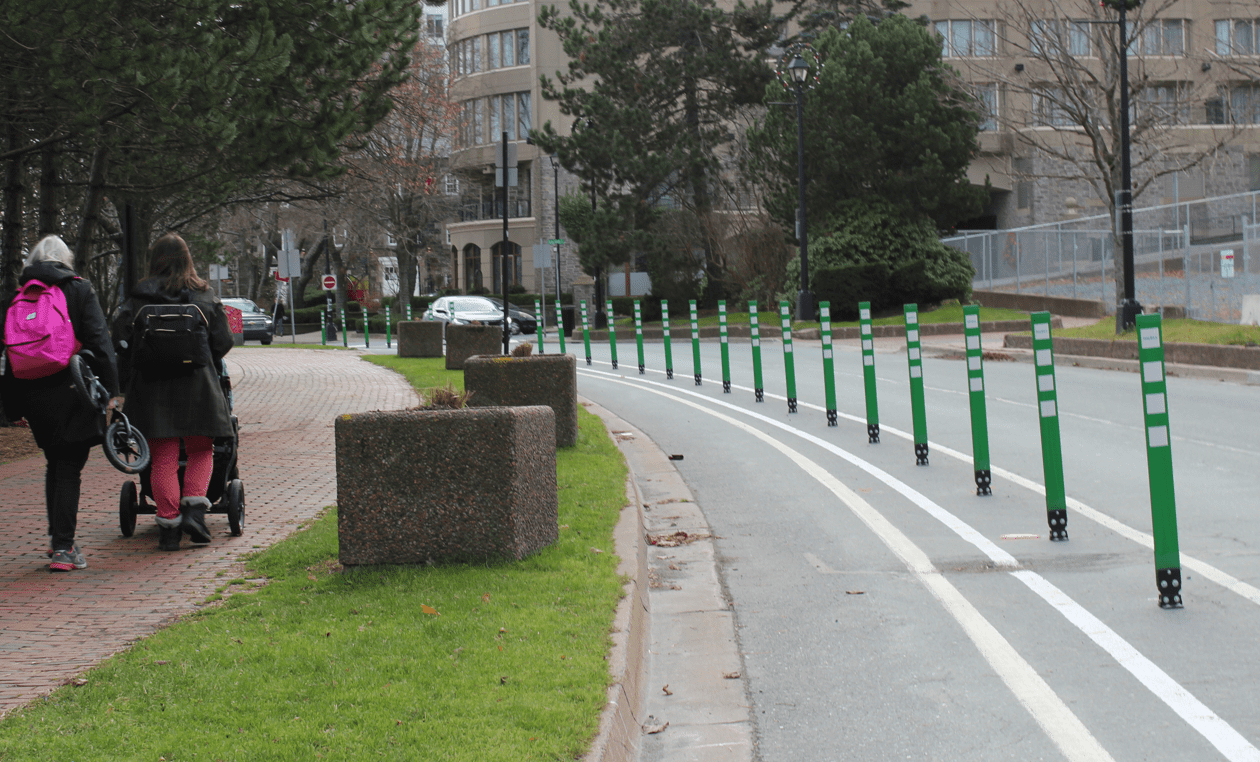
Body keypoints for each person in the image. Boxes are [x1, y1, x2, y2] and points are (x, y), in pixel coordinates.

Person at [0, 235, 120, 572]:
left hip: (32, 391)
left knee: (56, 461)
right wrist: (111, 389)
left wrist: (13, 408)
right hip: (72, 386)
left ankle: (58, 539)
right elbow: (100, 340)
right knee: (68, 465)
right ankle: (63, 549)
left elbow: (9, 355)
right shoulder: (79, 290)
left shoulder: (21, 295)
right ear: (65, 260)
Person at [112, 233, 234, 551]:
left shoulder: (139, 297)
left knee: (163, 457)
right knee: (200, 450)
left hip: (153, 390)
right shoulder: (205, 296)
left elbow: (121, 339)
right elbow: (223, 342)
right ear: (187, 259)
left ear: (155, 260)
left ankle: (169, 527)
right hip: (198, 386)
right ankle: (194, 511)